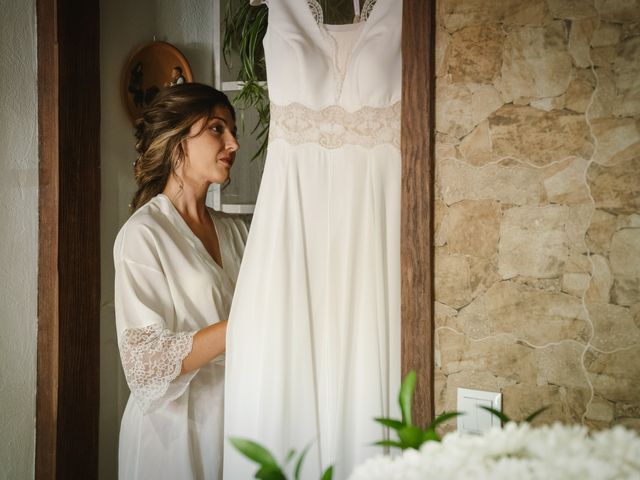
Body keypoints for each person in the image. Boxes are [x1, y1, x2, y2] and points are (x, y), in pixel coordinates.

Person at [114, 83, 246, 480]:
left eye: (232, 130)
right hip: (172, 436)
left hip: (236, 420)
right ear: (178, 141)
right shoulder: (143, 234)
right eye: (217, 129)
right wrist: (243, 326)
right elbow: (145, 364)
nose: (234, 143)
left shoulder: (237, 232)